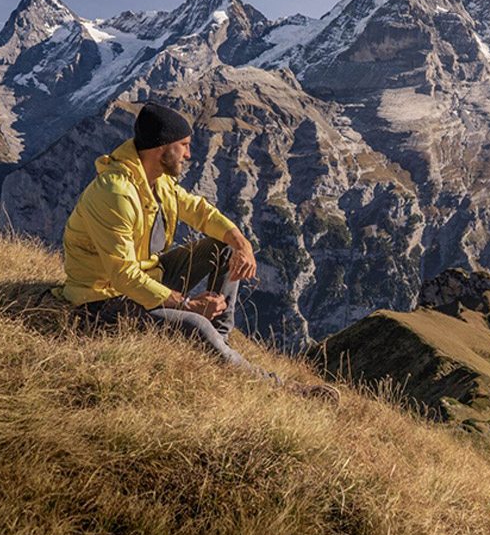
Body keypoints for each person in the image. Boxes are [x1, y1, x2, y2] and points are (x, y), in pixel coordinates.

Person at [56, 102, 337, 401]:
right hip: (103, 303)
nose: (189, 154)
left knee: (224, 250)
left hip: (148, 280)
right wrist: (187, 305)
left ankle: (221, 345)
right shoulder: (115, 193)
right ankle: (284, 391)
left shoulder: (156, 180)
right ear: (162, 147)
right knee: (197, 324)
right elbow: (123, 276)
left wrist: (241, 242)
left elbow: (198, 211)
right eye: (184, 145)